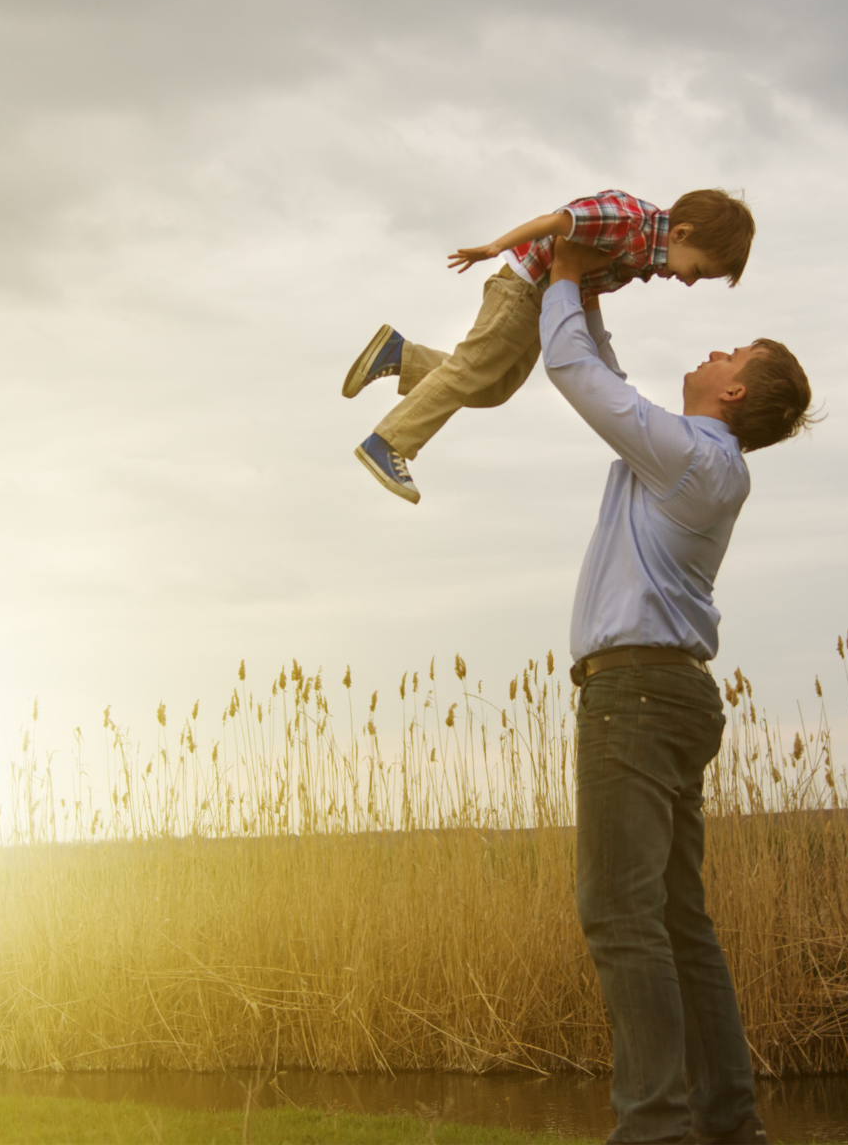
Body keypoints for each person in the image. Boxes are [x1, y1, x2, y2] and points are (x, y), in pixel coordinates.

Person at [541, 236, 813, 1145]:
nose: (710, 352)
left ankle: (654, 1130)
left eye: (728, 354)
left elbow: (574, 371)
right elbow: (609, 374)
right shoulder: (691, 455)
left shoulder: (694, 460)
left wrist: (566, 275)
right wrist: (591, 291)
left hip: (636, 698)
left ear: (734, 393)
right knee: (673, 918)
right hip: (668, 695)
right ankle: (729, 1127)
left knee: (620, 913)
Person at [342, 189, 756, 503]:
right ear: (682, 234)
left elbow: (589, 288)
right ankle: (389, 442)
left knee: (492, 387)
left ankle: (400, 355)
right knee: (470, 370)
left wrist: (598, 354)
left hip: (541, 300)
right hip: (523, 289)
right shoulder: (629, 221)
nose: (689, 281)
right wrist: (496, 246)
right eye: (698, 271)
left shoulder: (648, 255)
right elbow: (560, 222)